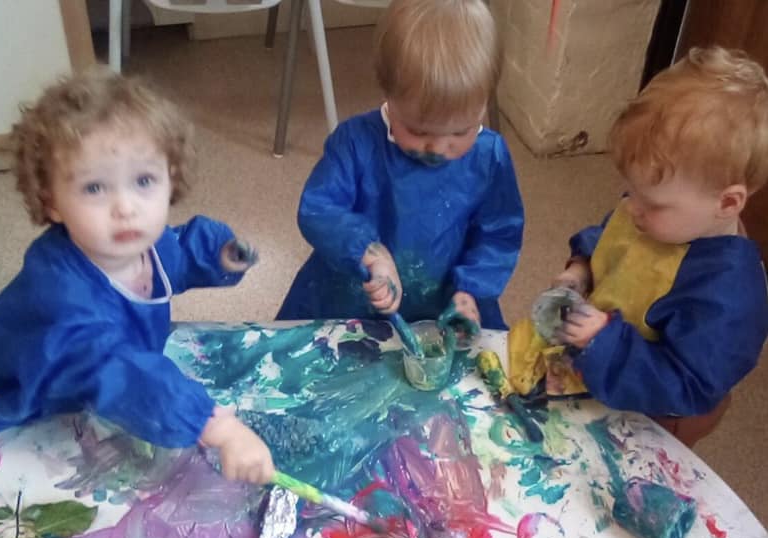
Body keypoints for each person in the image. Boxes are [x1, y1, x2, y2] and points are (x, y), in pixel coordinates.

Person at [0, 67, 274, 483]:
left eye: (144, 181)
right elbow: (115, 367)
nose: (126, 207)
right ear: (51, 202)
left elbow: (180, 252)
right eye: (95, 188)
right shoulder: (60, 288)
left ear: (171, 179)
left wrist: (218, 256)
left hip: (99, 386)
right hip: (21, 386)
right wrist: (213, 425)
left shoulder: (142, 245)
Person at [509, 46, 768, 447]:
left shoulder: (730, 297)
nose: (630, 209)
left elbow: (688, 385)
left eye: (651, 203)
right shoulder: (656, 212)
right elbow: (613, 237)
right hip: (593, 359)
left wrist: (603, 341)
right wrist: (581, 267)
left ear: (728, 203)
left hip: (655, 411)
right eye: (629, 191)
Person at [275, 0, 524, 331]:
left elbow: (499, 234)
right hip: (349, 300)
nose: (438, 147)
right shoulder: (355, 142)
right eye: (419, 131)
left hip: (443, 305)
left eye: (460, 131)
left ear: (485, 103)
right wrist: (369, 252)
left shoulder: (488, 156)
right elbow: (318, 209)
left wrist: (472, 291)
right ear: (388, 96)